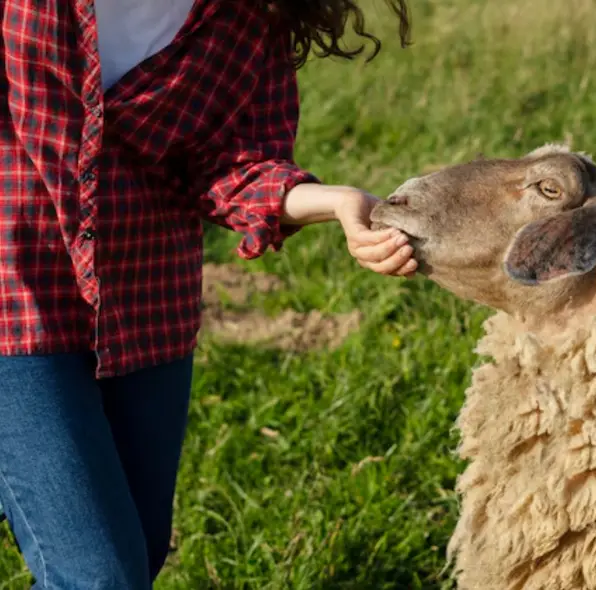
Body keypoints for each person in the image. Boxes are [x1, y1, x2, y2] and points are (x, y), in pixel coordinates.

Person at [0, 0, 413, 587]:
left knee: (138, 557)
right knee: (99, 576)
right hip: (16, 296)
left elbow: (230, 163)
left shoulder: (250, 13)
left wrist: (335, 203)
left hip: (148, 300)